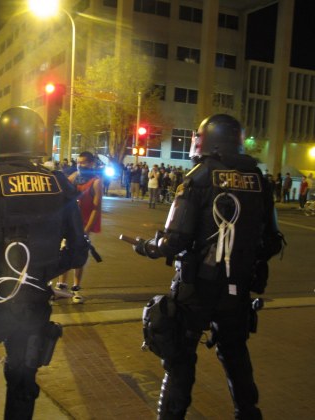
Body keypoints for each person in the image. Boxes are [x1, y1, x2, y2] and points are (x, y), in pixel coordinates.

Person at [130, 114, 284, 419]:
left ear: (206, 140)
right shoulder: (259, 181)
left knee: (180, 358)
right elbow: (273, 242)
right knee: (236, 354)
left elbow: (174, 240)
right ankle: (248, 413)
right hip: (237, 288)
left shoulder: (199, 177)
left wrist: (148, 247)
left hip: (195, 288)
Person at [0, 106, 89, 419]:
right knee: (22, 385)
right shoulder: (59, 185)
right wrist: (40, 274)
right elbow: (77, 253)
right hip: (34, 305)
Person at [55, 151, 102, 304]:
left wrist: (86, 230)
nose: (80, 165)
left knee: (79, 255)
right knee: (65, 252)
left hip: (84, 224)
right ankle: (62, 286)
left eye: (83, 163)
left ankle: (76, 288)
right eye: (79, 162)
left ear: (91, 164)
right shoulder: (74, 177)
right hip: (70, 222)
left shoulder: (96, 182)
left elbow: (96, 208)